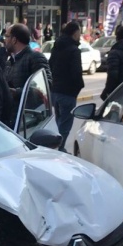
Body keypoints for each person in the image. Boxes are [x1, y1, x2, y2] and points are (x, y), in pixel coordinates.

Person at [48, 21, 85, 151]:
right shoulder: (74, 51)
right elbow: (76, 73)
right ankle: (59, 149)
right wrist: (77, 88)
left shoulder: (56, 47)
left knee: (58, 122)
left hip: (55, 91)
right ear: (75, 33)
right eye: (79, 32)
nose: (80, 35)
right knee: (65, 125)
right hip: (67, 92)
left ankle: (56, 147)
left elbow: (50, 65)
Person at [3, 23, 52, 101]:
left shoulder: (35, 57)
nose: (4, 39)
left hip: (30, 111)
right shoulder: (10, 61)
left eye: (6, 36)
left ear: (14, 40)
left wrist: (17, 92)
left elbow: (45, 85)